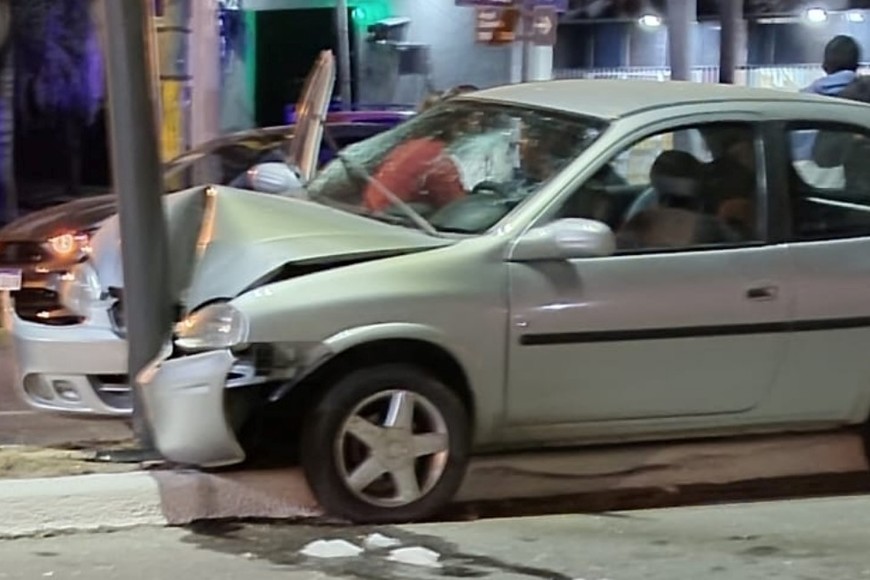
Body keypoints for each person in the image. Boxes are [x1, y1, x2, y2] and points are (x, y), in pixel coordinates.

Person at [793, 35, 861, 161]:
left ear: (824, 65)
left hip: (806, 171)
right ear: (857, 66)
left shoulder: (801, 99)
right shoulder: (865, 98)